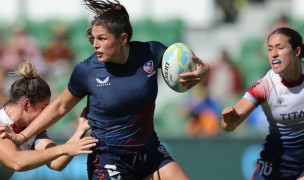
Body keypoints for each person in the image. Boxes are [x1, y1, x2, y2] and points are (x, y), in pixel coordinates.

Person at [4, 0, 210, 179]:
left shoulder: (150, 52)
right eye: (93, 38)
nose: (95, 44)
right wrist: (22, 137)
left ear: (122, 39)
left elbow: (184, 66)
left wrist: (204, 70)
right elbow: (59, 107)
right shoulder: (86, 71)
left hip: (149, 151)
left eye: (101, 39)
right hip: (109, 159)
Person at [221, 27, 304, 179]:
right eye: (270, 49)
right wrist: (229, 121)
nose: (274, 54)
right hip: (275, 164)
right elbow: (228, 126)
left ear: (297, 52)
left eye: (280, 48)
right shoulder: (264, 86)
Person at [0, 61, 97, 179]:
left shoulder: (32, 130)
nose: (46, 115)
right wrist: (64, 148)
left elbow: (57, 163)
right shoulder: (2, 124)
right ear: (26, 104)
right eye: (43, 108)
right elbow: (17, 162)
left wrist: (81, 129)